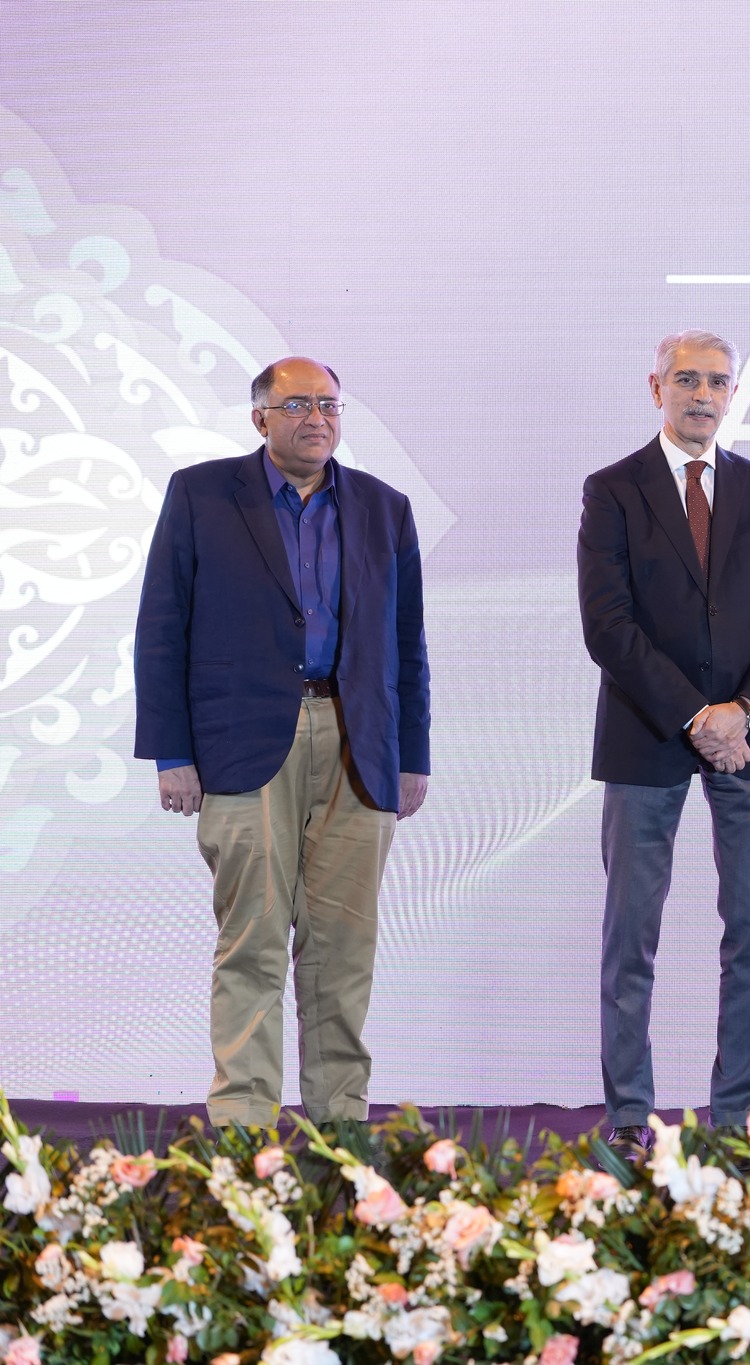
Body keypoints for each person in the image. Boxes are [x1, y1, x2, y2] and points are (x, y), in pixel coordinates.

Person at [134, 356, 431, 1127]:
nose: (317, 418)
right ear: (259, 417)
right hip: (240, 744)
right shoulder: (201, 495)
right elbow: (162, 628)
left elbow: (407, 643)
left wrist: (412, 756)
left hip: (359, 745)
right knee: (253, 938)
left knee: (343, 944)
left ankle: (340, 1118)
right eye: (297, 404)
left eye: (329, 404)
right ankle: (244, 1122)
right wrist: (172, 753)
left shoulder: (385, 507)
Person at [578, 329, 750, 1151]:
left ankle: (737, 1119)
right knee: (630, 933)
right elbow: (608, 626)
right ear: (657, 388)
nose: (703, 395)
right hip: (647, 734)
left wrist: (742, 710)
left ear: (732, 393)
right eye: (687, 380)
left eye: (717, 381)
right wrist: (696, 715)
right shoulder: (613, 488)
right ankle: (630, 1117)